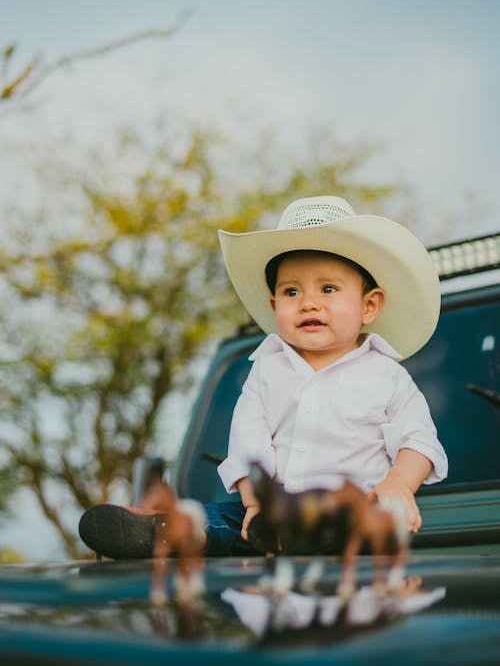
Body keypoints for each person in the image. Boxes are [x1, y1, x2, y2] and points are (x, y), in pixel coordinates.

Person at [79, 195, 447, 559]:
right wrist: (255, 503)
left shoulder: (386, 376)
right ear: (275, 308)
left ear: (369, 305)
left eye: (328, 289)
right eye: (291, 291)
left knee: (368, 517)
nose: (308, 303)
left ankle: (295, 534)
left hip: (357, 512)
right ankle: (173, 527)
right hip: (272, 513)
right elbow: (249, 441)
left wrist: (399, 484)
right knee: (224, 516)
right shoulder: (266, 370)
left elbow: (417, 439)